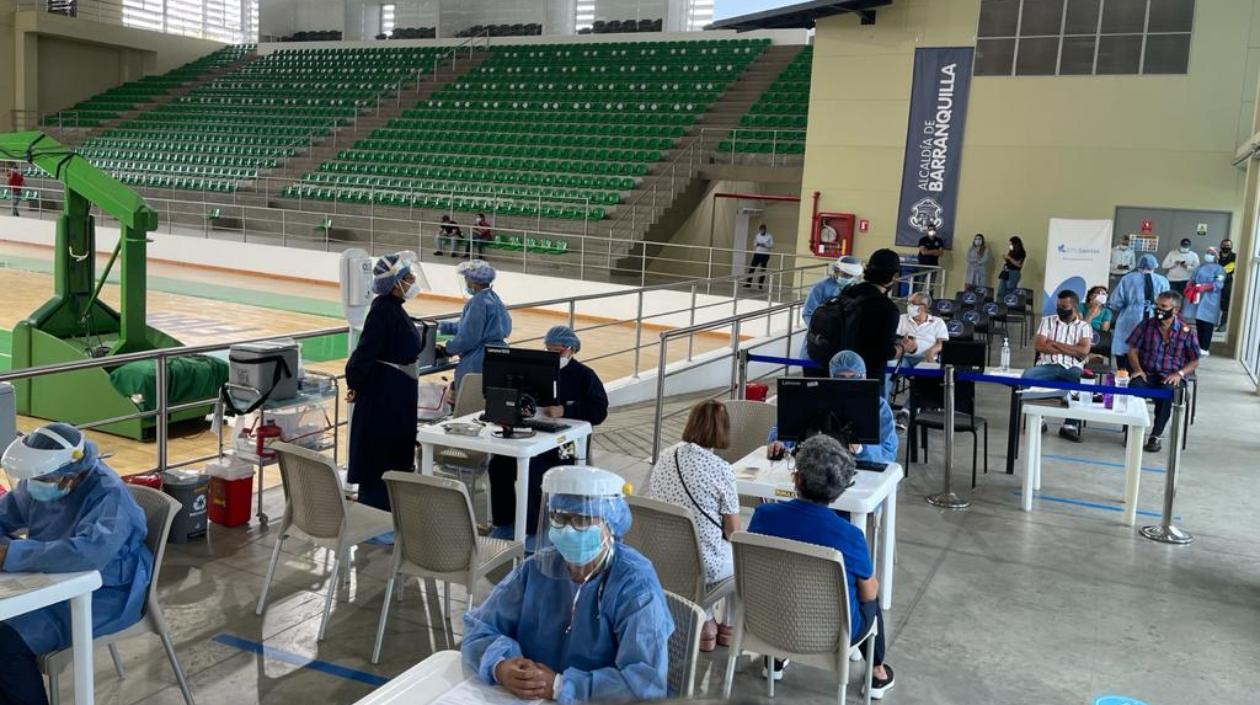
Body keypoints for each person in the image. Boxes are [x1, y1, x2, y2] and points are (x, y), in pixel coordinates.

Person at [462, 466, 674, 704]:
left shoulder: (634, 584)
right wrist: (500, 666)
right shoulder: (537, 569)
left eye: (582, 520)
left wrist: (560, 686)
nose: (568, 530)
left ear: (610, 523)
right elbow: (478, 626)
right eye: (558, 518)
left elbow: (646, 685)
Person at [0, 423, 153, 705]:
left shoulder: (109, 495)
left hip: (104, 596)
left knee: (5, 643)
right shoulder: (44, 480)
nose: (32, 485)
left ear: (72, 475)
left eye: (42, 479)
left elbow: (87, 554)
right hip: (53, 581)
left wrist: (10, 554)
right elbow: (6, 512)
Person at [748, 435, 895, 698]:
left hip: (768, 621)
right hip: (832, 636)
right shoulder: (849, 536)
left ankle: (776, 657)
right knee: (870, 590)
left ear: (797, 479)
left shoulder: (763, 516)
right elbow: (869, 594)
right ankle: (877, 670)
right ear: (840, 489)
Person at [488, 326, 608, 543]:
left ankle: (532, 529)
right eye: (548, 350)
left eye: (557, 351)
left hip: (565, 446)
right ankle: (503, 522)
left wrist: (566, 411)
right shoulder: (537, 371)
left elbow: (599, 411)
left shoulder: (585, 376)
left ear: (571, 350)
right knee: (499, 465)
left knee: (534, 471)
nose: (553, 356)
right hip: (535, 436)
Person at [645, 400, 739, 651]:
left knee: (695, 542)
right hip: (703, 564)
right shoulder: (722, 470)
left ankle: (706, 625)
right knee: (740, 554)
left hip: (664, 555)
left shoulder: (665, 456)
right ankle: (729, 626)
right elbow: (733, 532)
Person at [346, 252, 423, 511]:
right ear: (395, 282)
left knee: (396, 450)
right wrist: (355, 383)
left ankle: (388, 512)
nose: (412, 280)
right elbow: (365, 352)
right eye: (407, 276)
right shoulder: (382, 311)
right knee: (381, 454)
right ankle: (376, 519)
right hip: (383, 396)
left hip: (396, 392)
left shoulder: (395, 309)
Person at [767, 351, 898, 465]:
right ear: (831, 377)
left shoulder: (878, 406)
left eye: (854, 377)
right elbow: (785, 427)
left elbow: (888, 453)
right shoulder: (815, 399)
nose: (848, 383)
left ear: (863, 377)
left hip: (863, 469)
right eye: (841, 377)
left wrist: (861, 449)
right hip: (818, 465)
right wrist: (780, 443)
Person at [816, 249, 903, 393]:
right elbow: (884, 352)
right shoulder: (888, 308)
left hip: (836, 370)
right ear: (893, 277)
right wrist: (902, 348)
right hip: (869, 378)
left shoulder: (848, 292)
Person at [1126, 291, 1200, 452]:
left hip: (1171, 375)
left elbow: (1194, 361)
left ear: (1175, 310)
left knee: (1167, 393)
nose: (1158, 309)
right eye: (1157, 305)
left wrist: (1179, 374)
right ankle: (1133, 432)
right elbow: (1132, 350)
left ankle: (1156, 436)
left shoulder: (1186, 331)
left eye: (1163, 306)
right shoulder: (1146, 325)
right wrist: (1138, 369)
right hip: (1147, 373)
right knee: (1134, 388)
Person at [1021, 291, 1092, 442]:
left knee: (1081, 384)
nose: (1060, 309)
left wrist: (1055, 343)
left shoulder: (1084, 327)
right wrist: (1073, 349)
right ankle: (1039, 420)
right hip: (1048, 365)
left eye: (1064, 306)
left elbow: (1084, 351)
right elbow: (1040, 346)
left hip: (1072, 368)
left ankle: (1069, 426)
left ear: (1074, 306)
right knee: (1027, 377)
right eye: (1058, 306)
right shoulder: (1047, 321)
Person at [438, 259, 512, 387]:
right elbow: (472, 326)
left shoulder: (477, 303)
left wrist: (447, 350)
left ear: (474, 282)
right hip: (497, 356)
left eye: (467, 279)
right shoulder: (493, 298)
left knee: (469, 400)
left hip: (478, 361)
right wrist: (443, 326)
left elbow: (468, 337)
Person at [1109, 254, 1170, 371]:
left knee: (1125, 345)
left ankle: (1124, 373)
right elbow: (1167, 302)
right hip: (1155, 316)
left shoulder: (1128, 278)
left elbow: (1116, 302)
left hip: (1130, 317)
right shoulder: (1163, 281)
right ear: (1155, 265)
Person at [800, 256, 863, 360]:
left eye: (851, 276)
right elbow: (807, 313)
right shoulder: (820, 288)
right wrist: (821, 330)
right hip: (820, 338)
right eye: (845, 275)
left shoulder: (855, 289)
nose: (848, 278)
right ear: (836, 271)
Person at [1182, 247, 1226, 356]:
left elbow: (1218, 284)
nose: (1208, 254)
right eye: (1207, 252)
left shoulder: (1219, 269)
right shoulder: (1200, 267)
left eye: (1211, 253)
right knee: (1200, 323)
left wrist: (1205, 287)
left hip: (1210, 299)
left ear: (1216, 256)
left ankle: (1205, 347)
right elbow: (1192, 278)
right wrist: (1190, 285)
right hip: (1197, 296)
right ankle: (1199, 346)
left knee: (1207, 324)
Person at [895, 291, 948, 367]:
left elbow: (942, 343)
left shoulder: (938, 322)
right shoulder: (901, 318)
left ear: (922, 308)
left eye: (911, 303)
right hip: (903, 357)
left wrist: (931, 352)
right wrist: (903, 344)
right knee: (890, 364)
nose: (908, 305)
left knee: (929, 370)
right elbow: (893, 337)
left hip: (927, 358)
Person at [744, 224, 774, 290]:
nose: (761, 231)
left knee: (762, 269)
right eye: (761, 230)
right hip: (757, 254)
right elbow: (754, 243)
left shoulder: (769, 236)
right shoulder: (757, 235)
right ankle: (748, 283)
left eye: (763, 230)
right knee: (752, 268)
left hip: (765, 254)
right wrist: (757, 244)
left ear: (765, 230)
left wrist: (765, 245)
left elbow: (772, 245)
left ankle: (760, 285)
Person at [1219, 239, 1236, 326]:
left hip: (1227, 282)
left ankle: (1223, 324)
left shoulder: (1234, 256)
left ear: (1231, 247)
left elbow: (1230, 268)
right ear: (1221, 245)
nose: (1226, 247)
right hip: (1215, 281)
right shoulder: (1216, 255)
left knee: (1226, 304)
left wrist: (1218, 270)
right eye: (1224, 245)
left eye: (1228, 245)